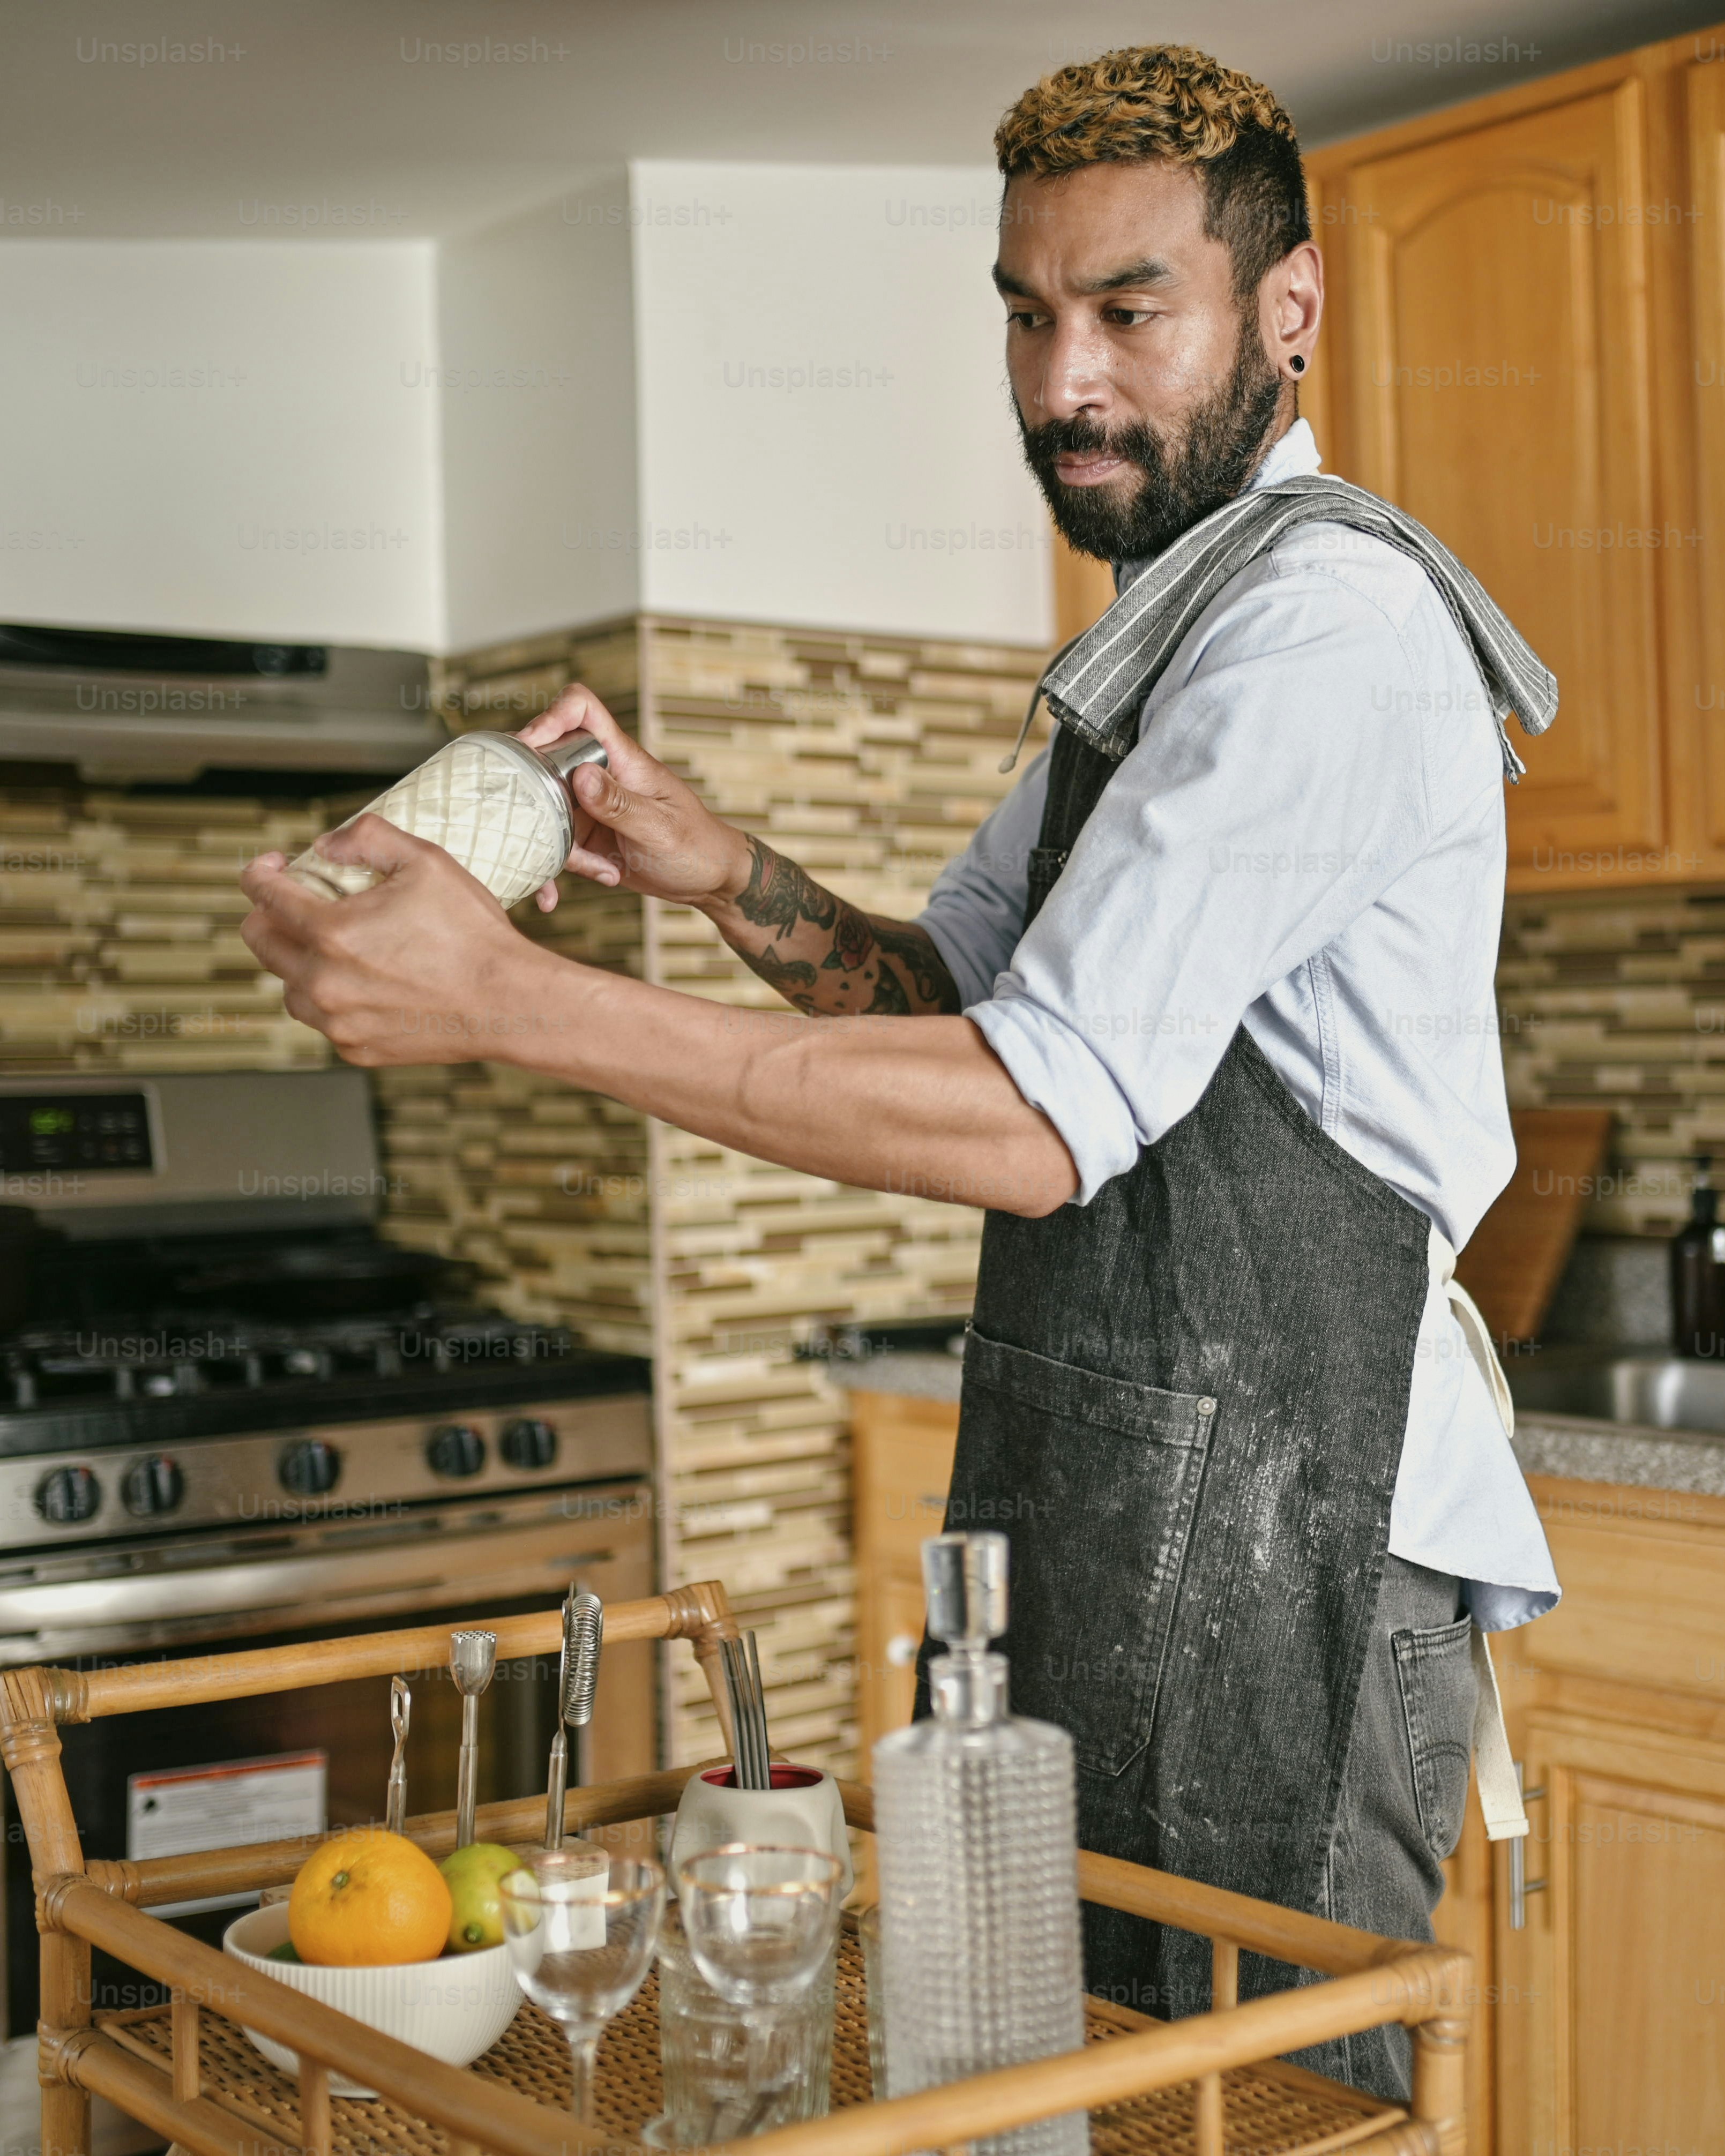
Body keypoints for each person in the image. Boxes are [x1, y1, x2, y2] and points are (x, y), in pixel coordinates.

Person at [242, 43, 1559, 2099]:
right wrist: (712, 867)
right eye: (1028, 315)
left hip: (1302, 1537)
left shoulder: (1327, 638)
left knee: (1246, 2112)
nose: (1061, 381)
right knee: (1057, 2095)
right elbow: (941, 997)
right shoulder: (1160, 648)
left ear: (1283, 313)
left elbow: (1033, 1121)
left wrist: (510, 1003)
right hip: (1123, 1504)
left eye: (1129, 309)